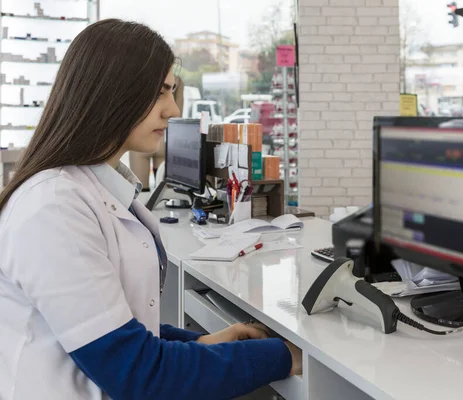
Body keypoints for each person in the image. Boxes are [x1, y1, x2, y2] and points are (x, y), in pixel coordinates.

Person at [0, 19, 301, 400]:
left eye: (172, 92)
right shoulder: (53, 208)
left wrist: (202, 342)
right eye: (160, 92)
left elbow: (116, 326)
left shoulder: (97, 187)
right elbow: (140, 375)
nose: (173, 110)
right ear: (111, 93)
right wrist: (282, 356)